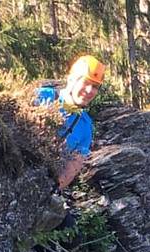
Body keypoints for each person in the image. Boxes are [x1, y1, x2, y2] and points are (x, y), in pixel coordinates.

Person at [35, 54, 105, 190]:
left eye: (95, 86)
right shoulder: (41, 97)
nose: (90, 90)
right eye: (86, 82)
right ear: (72, 79)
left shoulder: (85, 126)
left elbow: (72, 167)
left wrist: (48, 191)